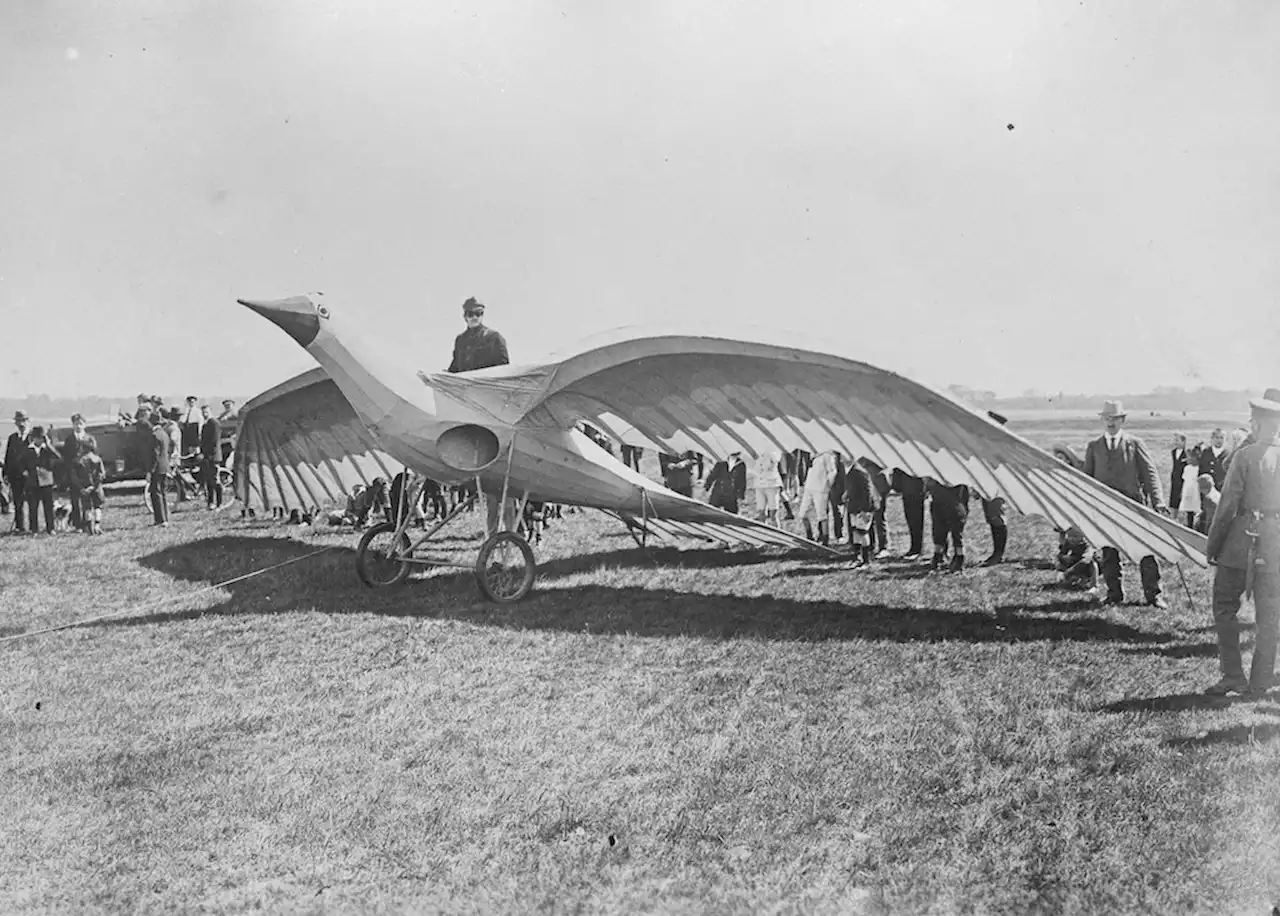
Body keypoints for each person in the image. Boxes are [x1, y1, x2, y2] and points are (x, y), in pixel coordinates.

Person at [1204, 391, 1280, 697]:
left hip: (1239, 544)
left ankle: (1233, 676)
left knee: (1224, 607)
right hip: (1276, 548)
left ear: (1259, 423)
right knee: (1270, 614)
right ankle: (1261, 681)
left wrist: (1213, 548)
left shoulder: (1245, 456)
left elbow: (1226, 508)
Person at [1082, 400, 1167, 608]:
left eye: (1115, 419)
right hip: (1106, 510)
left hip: (1134, 508)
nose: (1111, 423)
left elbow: (1150, 474)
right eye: (1107, 419)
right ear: (1103, 420)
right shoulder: (1094, 447)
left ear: (1122, 420)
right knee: (1109, 552)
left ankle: (1154, 594)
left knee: (1145, 550)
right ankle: (1114, 594)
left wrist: (1158, 502)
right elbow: (1086, 479)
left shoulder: (1135, 443)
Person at [447, 297, 509, 373]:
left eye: (478, 313)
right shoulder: (460, 340)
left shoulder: (494, 337)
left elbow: (504, 369)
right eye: (470, 314)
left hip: (485, 383)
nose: (474, 317)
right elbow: (454, 368)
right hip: (464, 383)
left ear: (482, 315)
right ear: (465, 317)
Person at [21, 426, 60, 534]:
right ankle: (34, 529)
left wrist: (48, 445)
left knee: (48, 506)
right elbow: (20, 462)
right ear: (33, 438)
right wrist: (24, 471)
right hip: (33, 482)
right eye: (38, 437)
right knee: (33, 506)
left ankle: (50, 528)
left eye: (42, 438)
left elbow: (58, 457)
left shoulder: (47, 449)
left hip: (46, 481)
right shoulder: (28, 450)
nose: (40, 440)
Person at [136, 406, 171, 526]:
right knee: (163, 493)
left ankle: (160, 519)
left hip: (156, 468)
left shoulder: (154, 435)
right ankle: (166, 518)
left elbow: (154, 455)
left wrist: (150, 471)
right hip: (165, 467)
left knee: (156, 494)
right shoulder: (164, 434)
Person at [796, 451, 841, 544]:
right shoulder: (812, 454)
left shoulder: (827, 455)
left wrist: (827, 485)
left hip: (821, 489)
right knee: (802, 514)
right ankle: (809, 537)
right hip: (809, 487)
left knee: (822, 515)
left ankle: (825, 539)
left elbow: (832, 471)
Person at [927, 479, 970, 571]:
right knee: (938, 529)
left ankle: (959, 557)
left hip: (955, 499)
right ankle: (938, 555)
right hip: (938, 498)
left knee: (956, 531)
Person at [61, 413, 94, 530]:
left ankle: (87, 523)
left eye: (80, 424)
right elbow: (66, 456)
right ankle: (77, 524)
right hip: (73, 473)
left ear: (85, 425)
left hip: (86, 473)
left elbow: (94, 455)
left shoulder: (89, 438)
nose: (78, 426)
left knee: (86, 501)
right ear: (72, 425)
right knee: (75, 501)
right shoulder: (69, 439)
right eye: (76, 424)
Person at [843, 458, 878, 565]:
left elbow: (867, 492)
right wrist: (847, 494)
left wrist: (864, 510)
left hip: (863, 508)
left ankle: (866, 561)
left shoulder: (859, 472)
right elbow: (853, 488)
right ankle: (857, 557)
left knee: (862, 533)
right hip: (854, 507)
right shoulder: (850, 471)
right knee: (855, 532)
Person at [857, 457, 892, 558]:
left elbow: (885, 484)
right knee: (869, 522)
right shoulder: (864, 469)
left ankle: (883, 547)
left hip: (877, 496)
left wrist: (880, 495)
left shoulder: (878, 468)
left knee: (879, 520)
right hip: (868, 498)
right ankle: (870, 545)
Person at [4, 410, 32, 533]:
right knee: (18, 501)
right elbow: (8, 457)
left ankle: (33, 526)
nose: (21, 424)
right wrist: (5, 473)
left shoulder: (33, 437)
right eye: (18, 421)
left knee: (32, 501)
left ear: (28, 421)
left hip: (30, 475)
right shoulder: (12, 438)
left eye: (23, 421)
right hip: (15, 475)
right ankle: (20, 526)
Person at [890, 469, 927, 559]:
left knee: (916, 522)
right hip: (908, 492)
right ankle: (914, 548)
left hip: (915, 492)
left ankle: (917, 549)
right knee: (911, 521)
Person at [74, 439, 107, 534]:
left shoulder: (77, 461)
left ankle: (89, 528)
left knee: (87, 507)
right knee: (98, 507)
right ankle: (97, 525)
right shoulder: (97, 459)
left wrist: (81, 488)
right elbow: (102, 474)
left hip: (84, 487)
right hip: (96, 487)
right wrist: (94, 486)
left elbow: (74, 476)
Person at [1056, 526, 1099, 593]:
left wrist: (1068, 572)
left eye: (1075, 536)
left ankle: (1094, 586)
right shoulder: (1068, 542)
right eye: (1069, 536)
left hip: (1088, 564)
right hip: (1077, 562)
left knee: (1093, 564)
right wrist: (1064, 557)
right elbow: (1060, 554)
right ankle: (1066, 581)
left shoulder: (1088, 544)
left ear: (1083, 536)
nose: (1072, 539)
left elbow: (1086, 560)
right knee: (1061, 563)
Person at [199, 404, 224, 509]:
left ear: (210, 412)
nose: (205, 414)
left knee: (215, 480)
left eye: (206, 412)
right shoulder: (205, 424)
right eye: (203, 412)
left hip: (213, 456)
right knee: (208, 481)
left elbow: (214, 441)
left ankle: (219, 503)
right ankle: (211, 502)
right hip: (207, 456)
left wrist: (208, 454)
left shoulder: (214, 423)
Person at [753, 451, 785, 525]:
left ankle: (777, 533)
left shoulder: (774, 452)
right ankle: (763, 532)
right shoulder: (757, 451)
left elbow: (776, 458)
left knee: (773, 514)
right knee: (761, 513)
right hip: (759, 484)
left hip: (772, 485)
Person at [1169, 434, 1189, 512]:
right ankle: (1174, 514)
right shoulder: (1173, 452)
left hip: (1183, 478)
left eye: (1177, 440)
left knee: (1182, 496)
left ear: (1183, 442)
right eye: (1175, 440)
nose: (1175, 442)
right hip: (1175, 477)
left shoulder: (1186, 454)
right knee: (1174, 497)